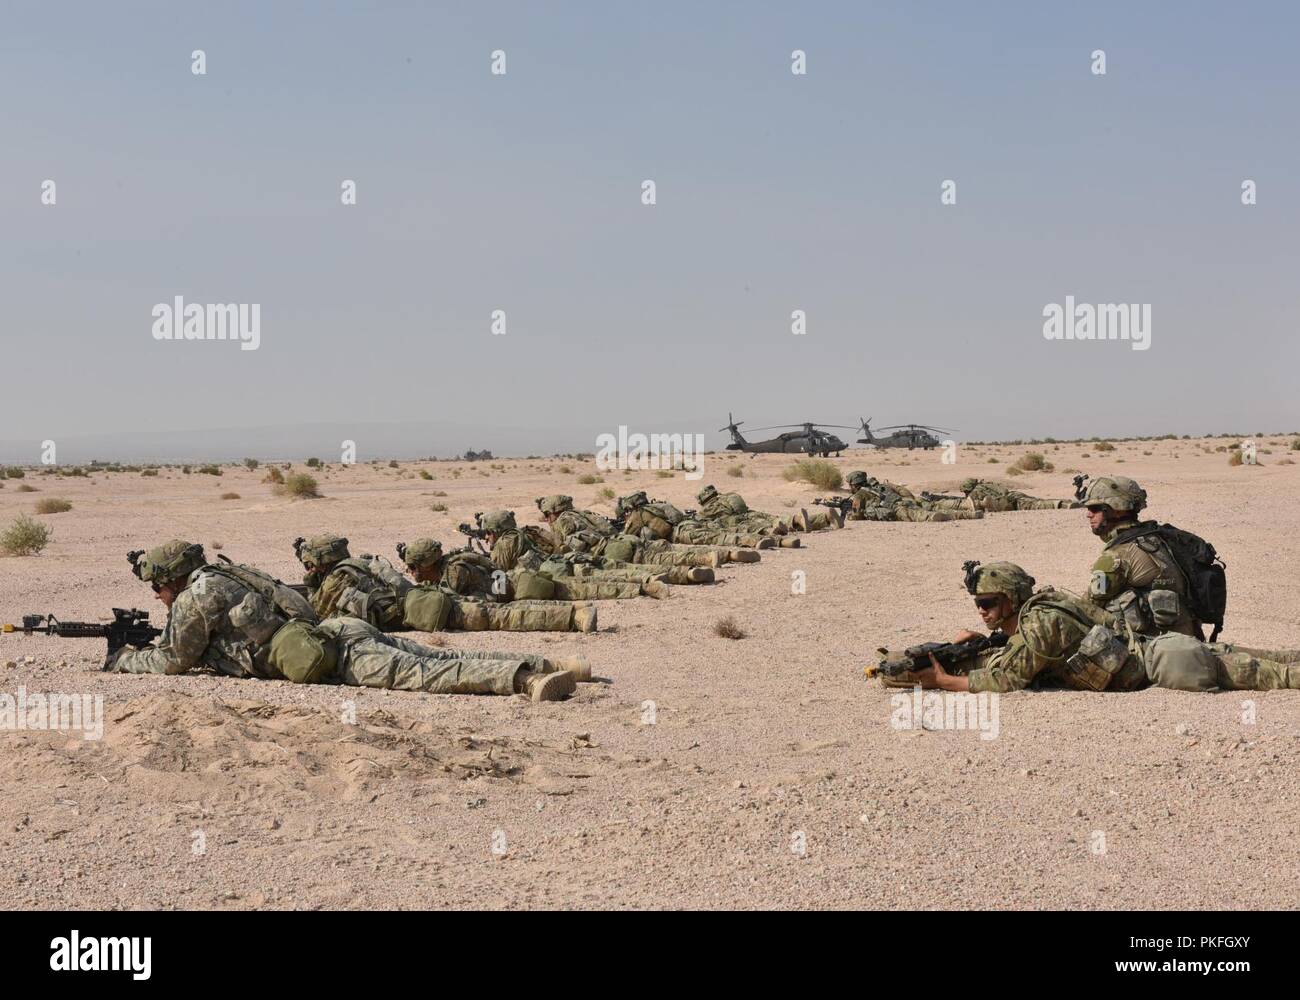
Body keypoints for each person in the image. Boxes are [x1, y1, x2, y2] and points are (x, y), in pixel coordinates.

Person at [107, 540, 583, 701]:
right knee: (441, 653)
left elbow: (174, 661)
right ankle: (546, 661)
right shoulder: (231, 574)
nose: (157, 594)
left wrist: (125, 660)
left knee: (427, 672)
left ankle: (524, 680)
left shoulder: (196, 598)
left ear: (174, 577)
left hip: (334, 653)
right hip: (338, 631)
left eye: (159, 586)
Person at [889, 560, 1298, 693]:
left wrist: (945, 681)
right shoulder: (1042, 606)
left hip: (1166, 665)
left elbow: (1007, 678)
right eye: (978, 605)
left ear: (1010, 599)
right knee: (1262, 661)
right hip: (1159, 649)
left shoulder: (1039, 624)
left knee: (1271, 675)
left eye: (987, 603)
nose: (981, 611)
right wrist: (982, 641)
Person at [296, 534, 598, 633]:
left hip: (421, 611)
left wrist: (311, 584)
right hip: (423, 602)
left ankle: (573, 616)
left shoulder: (337, 577)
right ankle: (575, 615)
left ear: (320, 561)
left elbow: (318, 616)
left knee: (498, 617)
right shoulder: (362, 563)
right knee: (499, 617)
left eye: (310, 562)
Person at [1081, 476, 1210, 639]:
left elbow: (1088, 608)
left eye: (1095, 508)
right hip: (1190, 638)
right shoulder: (1159, 539)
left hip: (1154, 650)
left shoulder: (1116, 557)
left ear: (1117, 509)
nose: (1088, 514)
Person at [695, 483, 842, 533]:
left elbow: (699, 521)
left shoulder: (708, 508)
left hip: (740, 521)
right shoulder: (728, 496)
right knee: (775, 519)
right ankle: (825, 518)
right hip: (750, 513)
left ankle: (782, 528)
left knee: (769, 526)